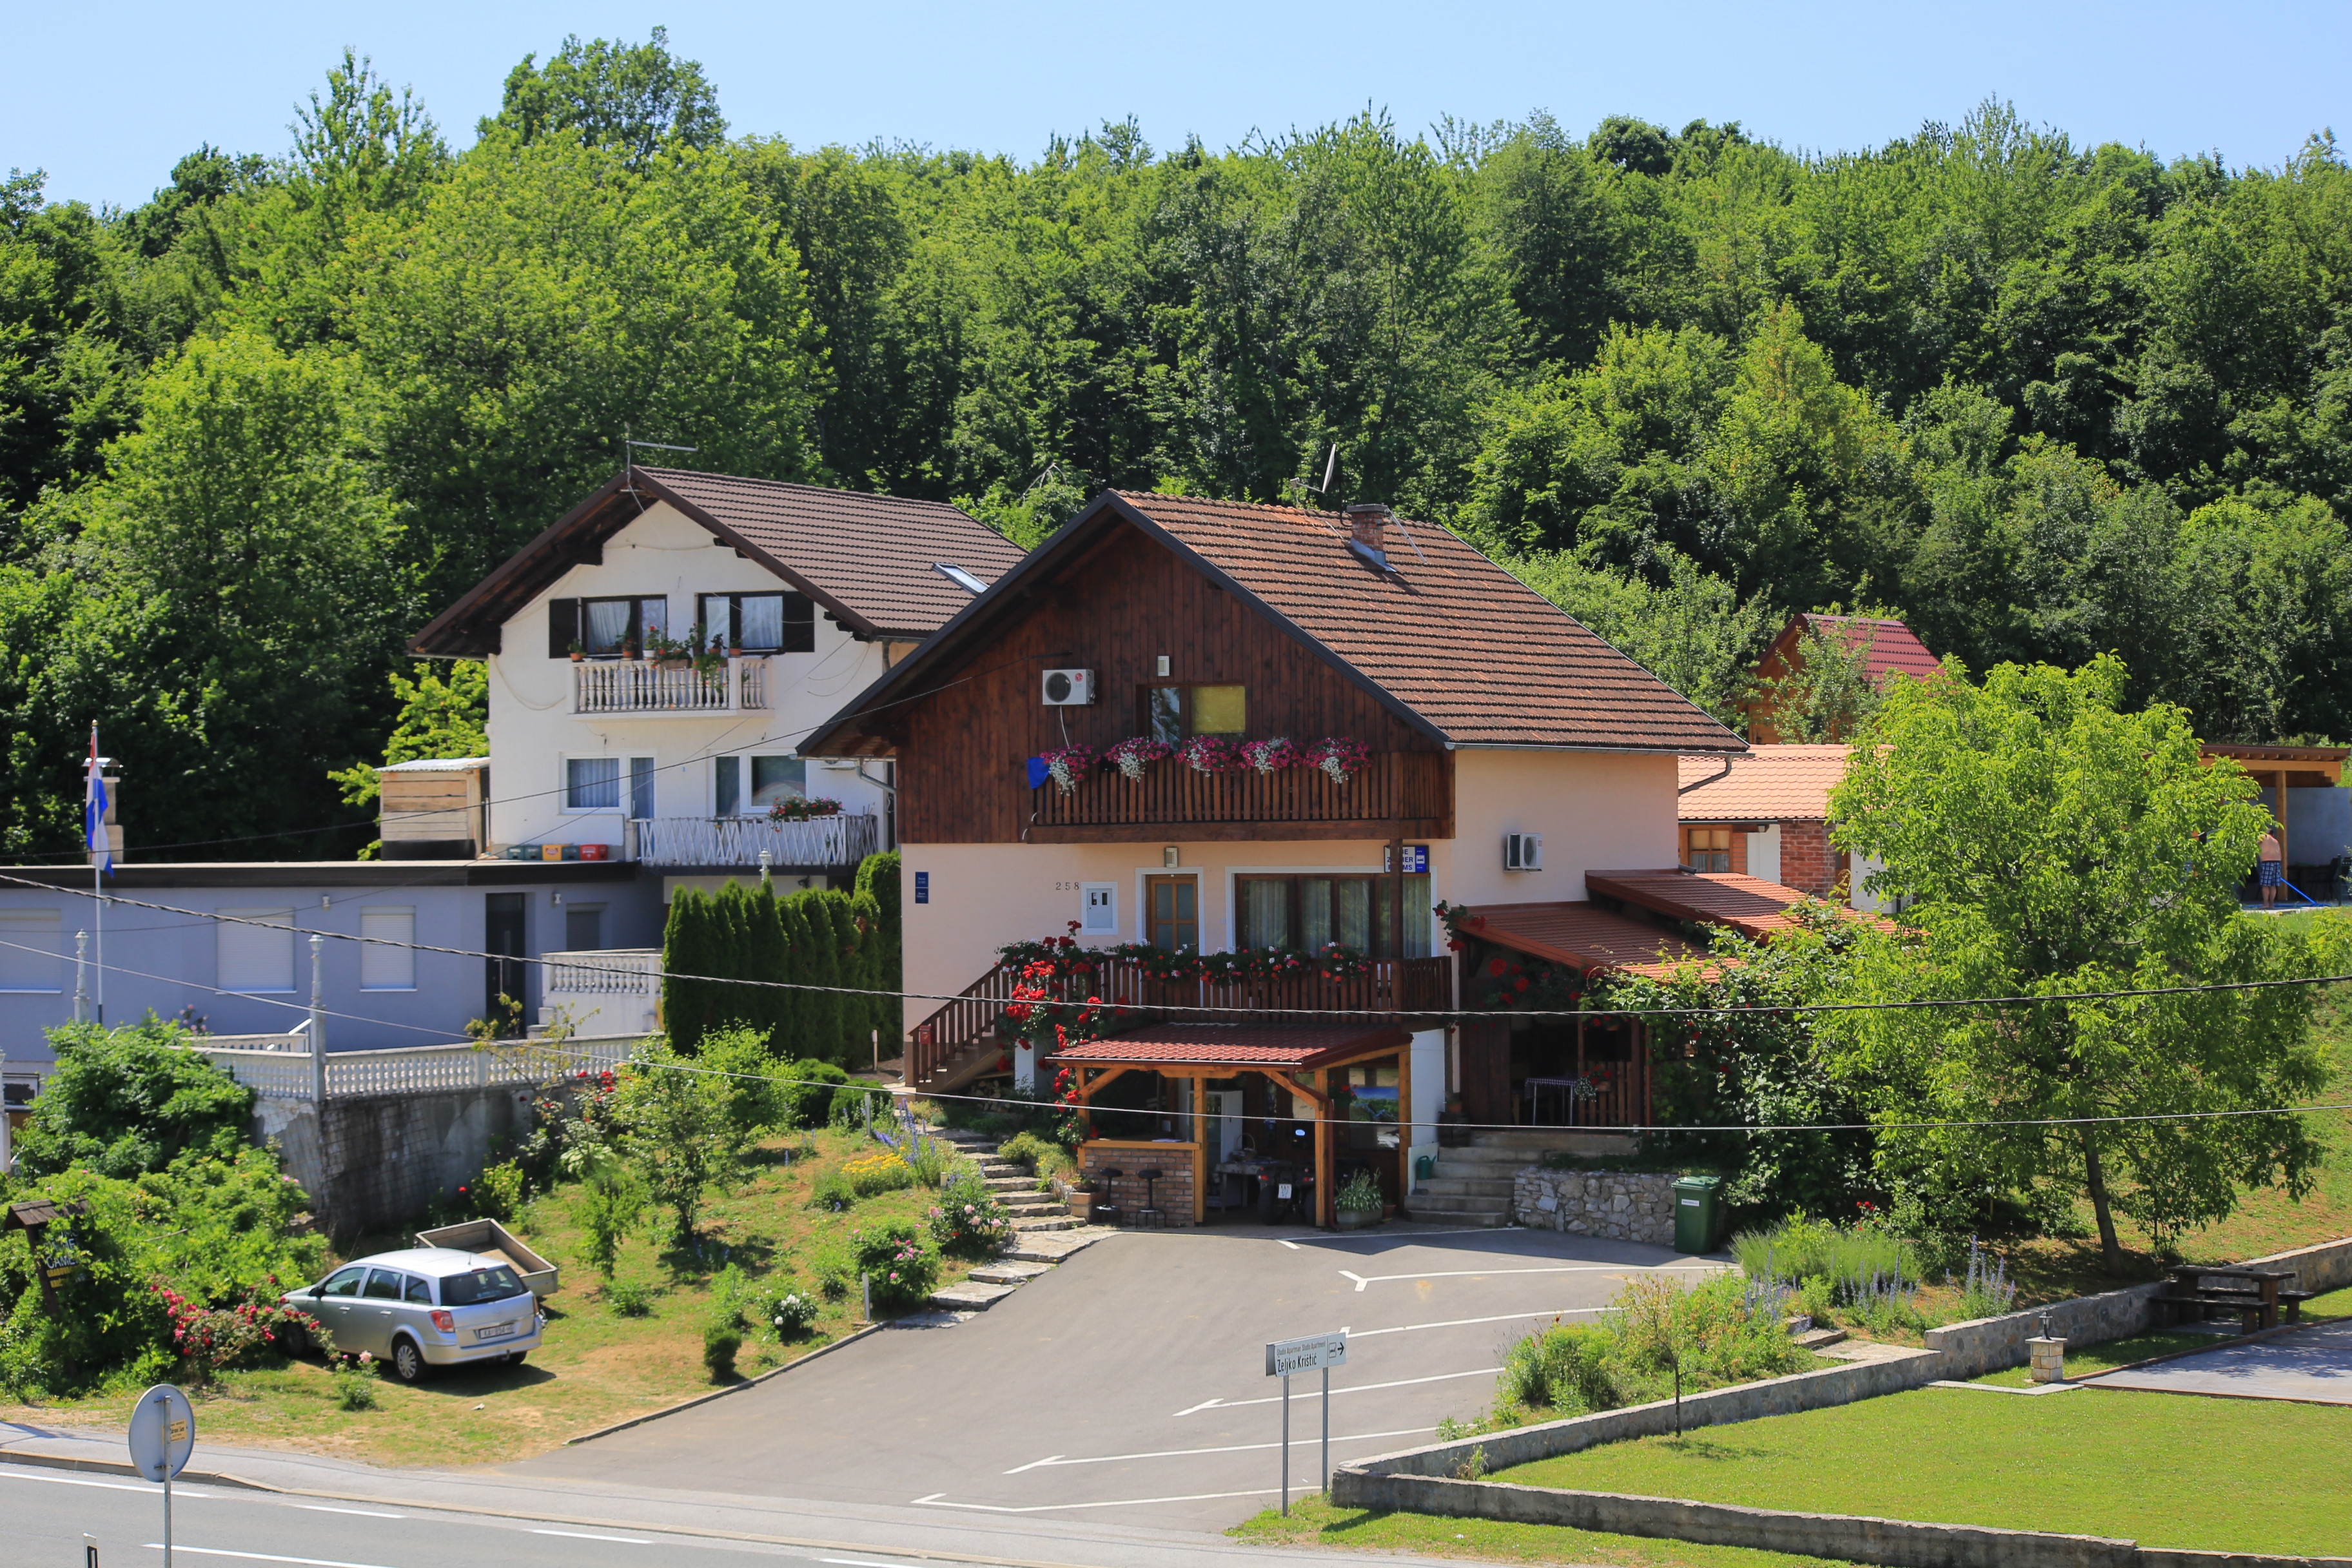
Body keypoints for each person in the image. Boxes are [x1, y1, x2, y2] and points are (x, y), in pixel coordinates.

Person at [2258, 826, 2284, 909]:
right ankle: (2272, 904)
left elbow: (2254, 843)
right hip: (2277, 862)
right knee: (2273, 885)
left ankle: (2266, 903)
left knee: (2265, 884)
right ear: (2273, 834)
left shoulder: (2264, 837)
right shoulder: (2276, 841)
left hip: (2267, 862)